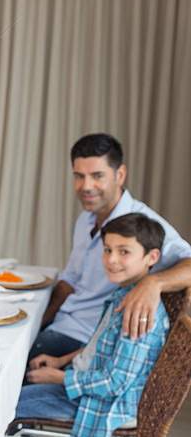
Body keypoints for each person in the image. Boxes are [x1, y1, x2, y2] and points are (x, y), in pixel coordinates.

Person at [28, 133, 191, 362]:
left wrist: (154, 282)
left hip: (91, 339)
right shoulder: (85, 219)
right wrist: (37, 323)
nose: (86, 186)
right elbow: (70, 281)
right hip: (63, 323)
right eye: (79, 176)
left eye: (97, 176)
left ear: (120, 175)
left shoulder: (142, 223)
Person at [17, 213, 169, 437]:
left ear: (152, 257)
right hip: (85, 379)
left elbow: (114, 383)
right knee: (16, 382)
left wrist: (59, 377)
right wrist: (60, 362)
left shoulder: (139, 312)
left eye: (124, 251)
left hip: (98, 401)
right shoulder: (122, 294)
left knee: (5, 403)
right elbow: (99, 346)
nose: (111, 259)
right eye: (107, 250)